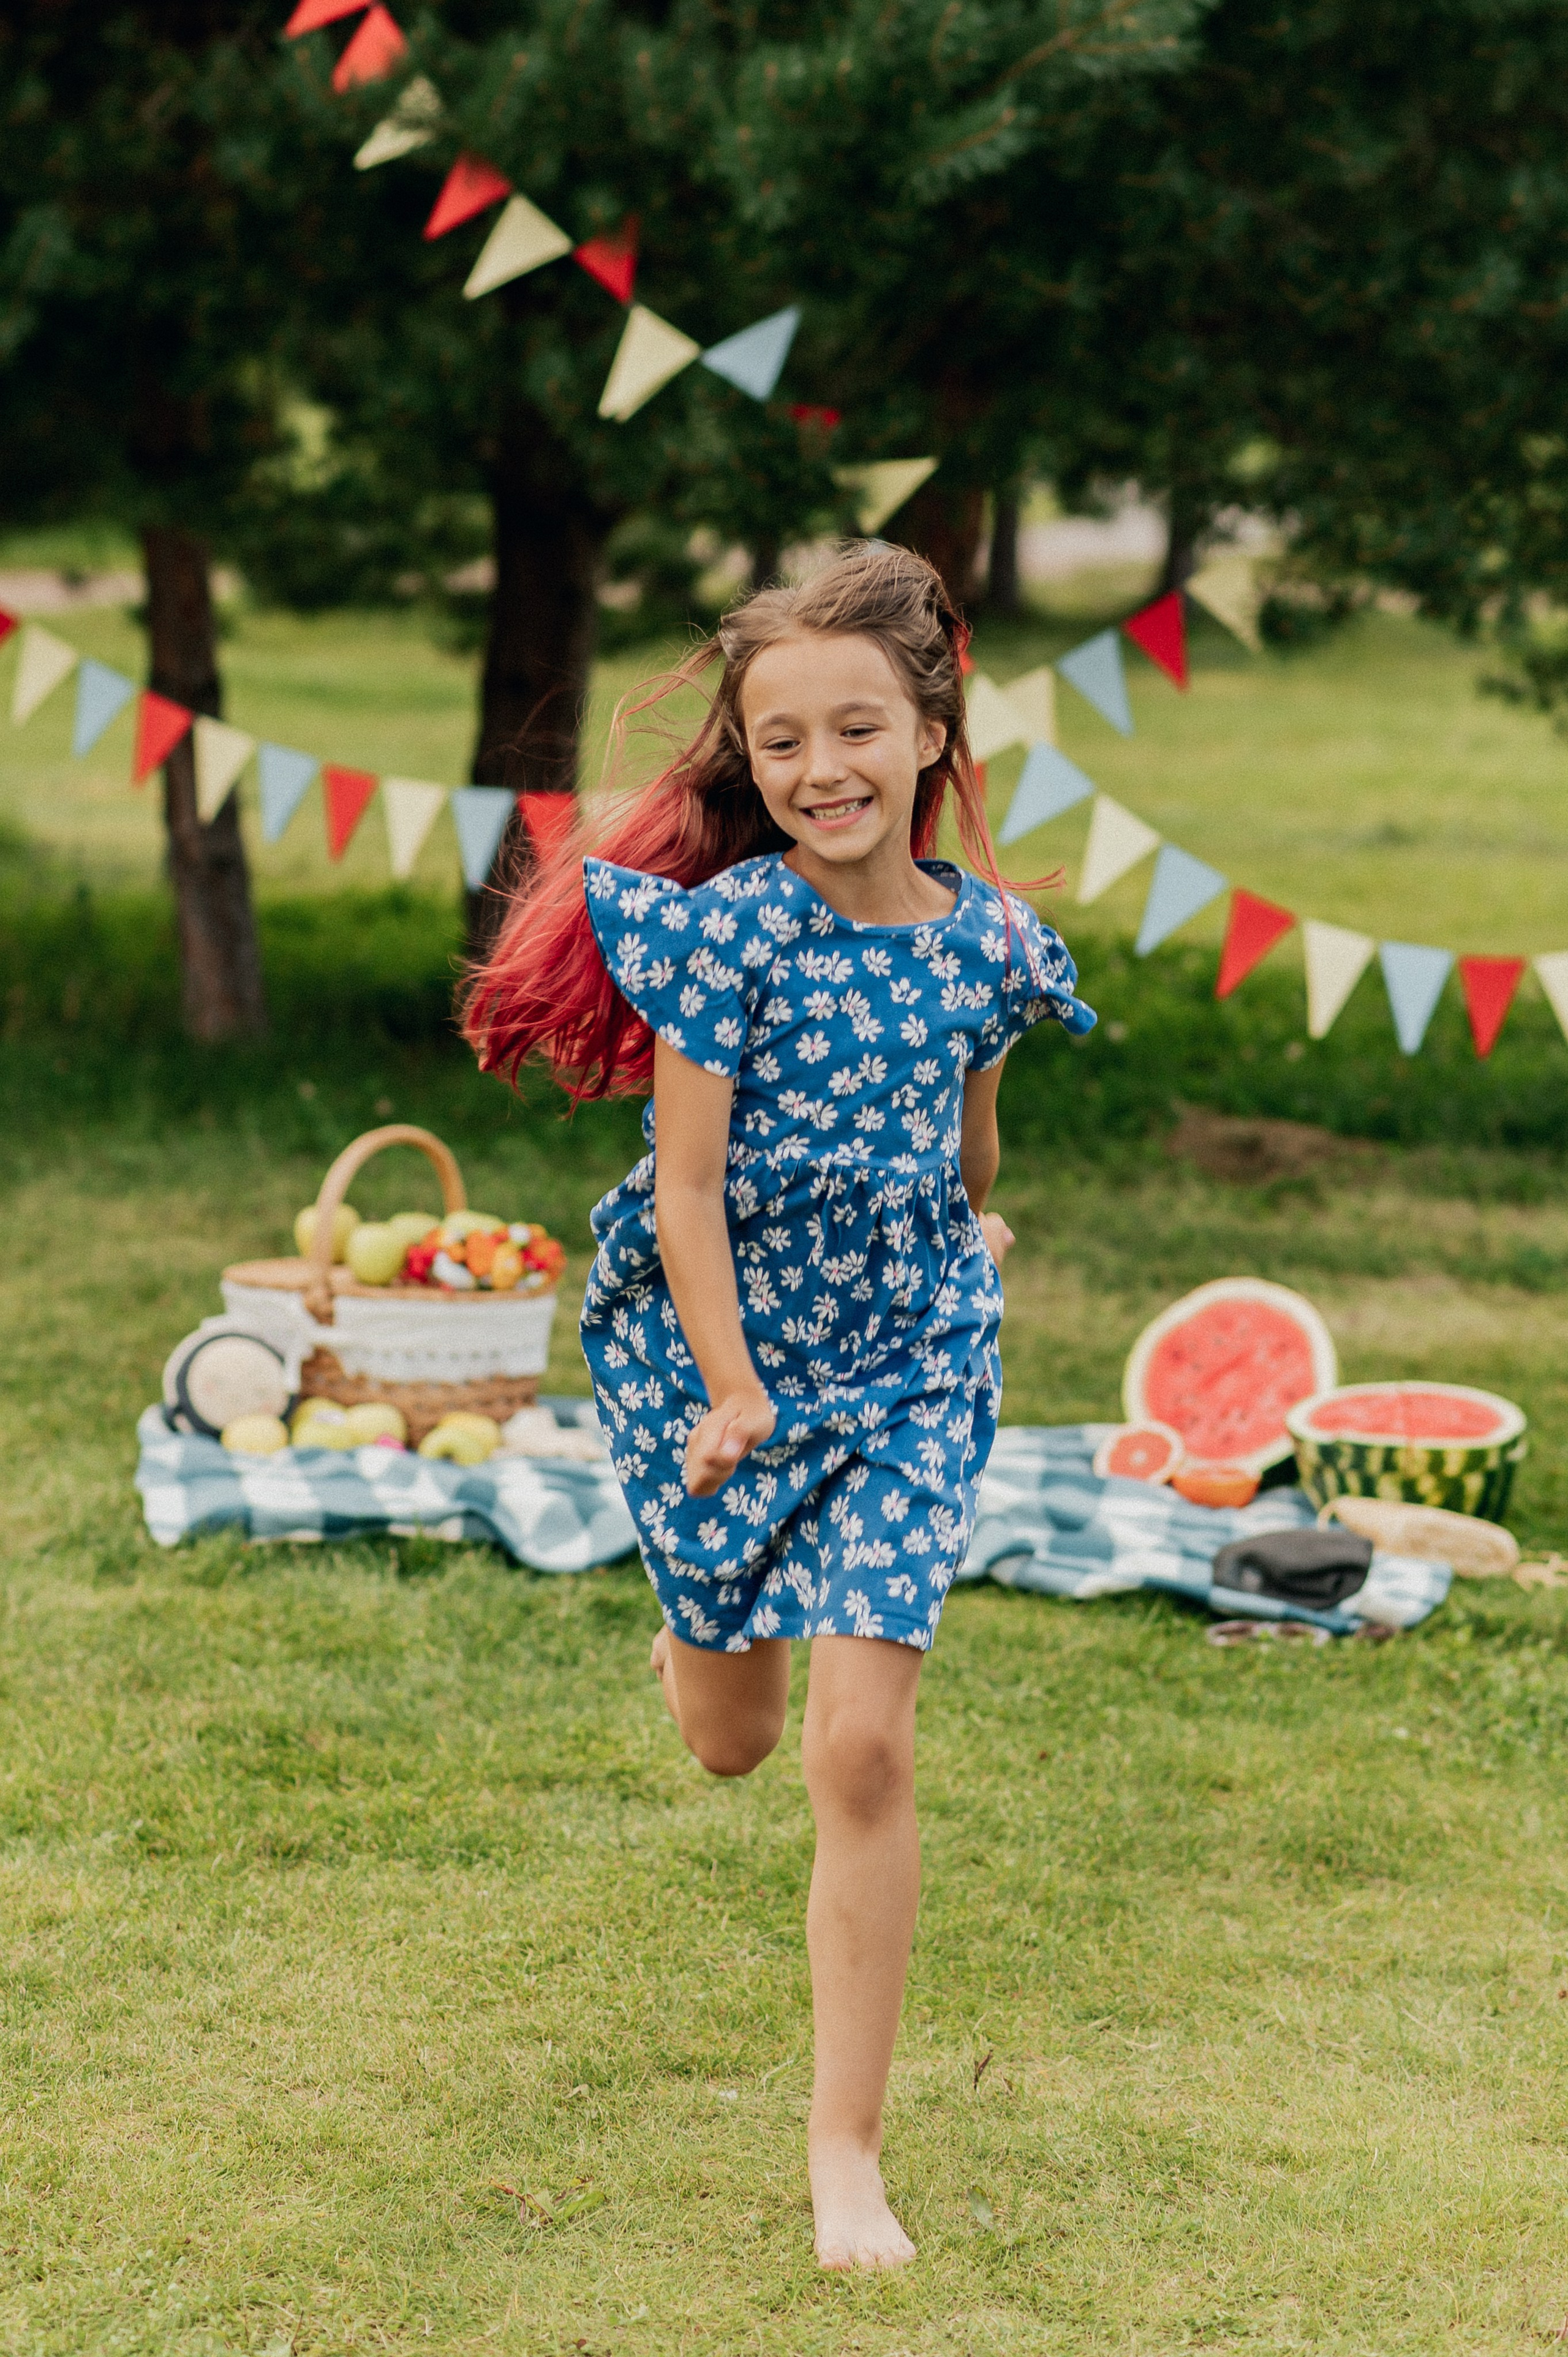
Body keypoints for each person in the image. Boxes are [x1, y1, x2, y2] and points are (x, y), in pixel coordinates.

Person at [466, 541, 1095, 2269]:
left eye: (858, 731)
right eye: (785, 742)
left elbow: (974, 1128)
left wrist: (974, 1211)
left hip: (909, 1359)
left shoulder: (993, 948)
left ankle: (845, 2153)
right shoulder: (723, 934)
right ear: (747, 759)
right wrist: (734, 1391)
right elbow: (684, 1193)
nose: (822, 770)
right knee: (733, 1742)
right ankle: (689, 1636)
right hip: (711, 1351)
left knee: (860, 1746)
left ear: (930, 736)